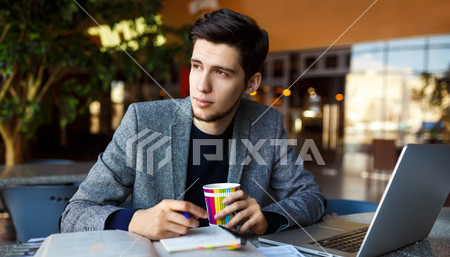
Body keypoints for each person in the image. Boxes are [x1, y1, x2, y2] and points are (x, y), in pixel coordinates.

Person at [61, 9, 326, 240]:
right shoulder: (143, 122)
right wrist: (137, 221)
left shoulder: (265, 122)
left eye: (221, 72)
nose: (201, 85)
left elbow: (311, 198)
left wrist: (269, 218)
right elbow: (76, 213)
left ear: (251, 84)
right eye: (197, 66)